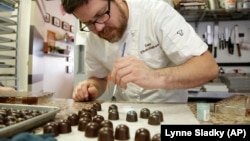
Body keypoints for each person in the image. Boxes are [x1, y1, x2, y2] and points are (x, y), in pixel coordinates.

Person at [62, 0, 219, 103]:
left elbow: (208, 67)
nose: (98, 28)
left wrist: (154, 77)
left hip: (170, 116)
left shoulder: (156, 13)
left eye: (101, 14)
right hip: (124, 118)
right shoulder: (92, 36)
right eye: (88, 23)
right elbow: (99, 78)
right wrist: (92, 87)